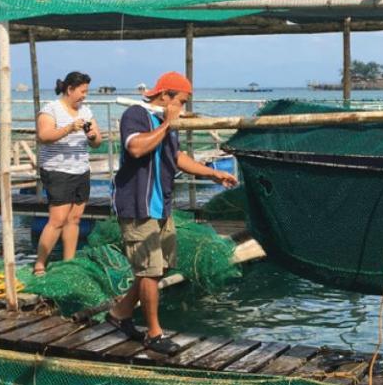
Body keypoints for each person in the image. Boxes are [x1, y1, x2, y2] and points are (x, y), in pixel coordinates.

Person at [107, 71, 238, 354]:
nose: (184, 107)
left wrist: (212, 173)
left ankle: (120, 313)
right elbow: (137, 148)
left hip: (161, 205)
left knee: (160, 266)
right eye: (181, 100)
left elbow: (176, 157)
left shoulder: (167, 124)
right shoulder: (136, 114)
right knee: (150, 271)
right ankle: (154, 334)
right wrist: (167, 122)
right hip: (137, 206)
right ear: (165, 95)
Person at [33, 71, 102, 276]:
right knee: (57, 219)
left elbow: (98, 142)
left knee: (75, 218)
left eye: (86, 92)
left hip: (81, 169)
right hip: (57, 170)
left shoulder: (86, 111)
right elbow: (44, 136)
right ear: (70, 89)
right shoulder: (50, 110)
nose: (84, 96)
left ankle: (69, 262)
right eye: (82, 91)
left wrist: (91, 137)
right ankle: (40, 264)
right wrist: (70, 128)